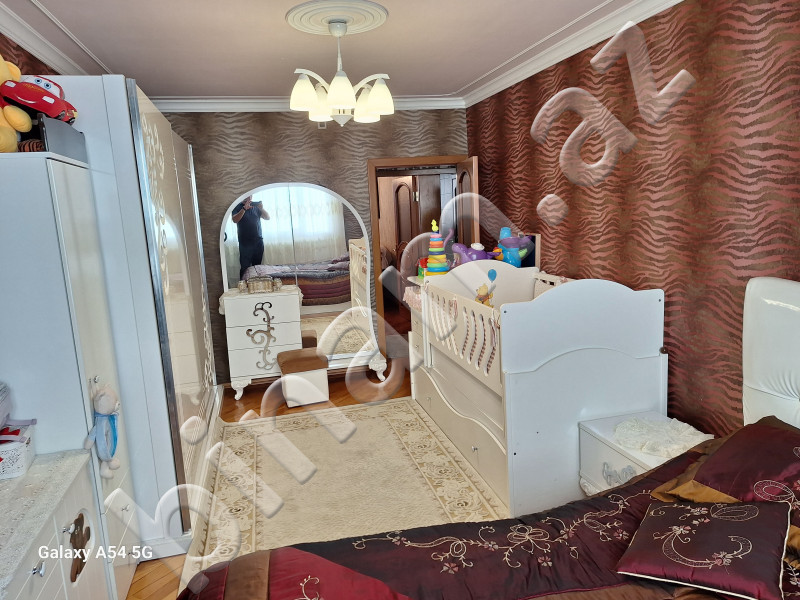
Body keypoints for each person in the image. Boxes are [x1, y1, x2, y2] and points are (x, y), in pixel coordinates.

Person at [232, 196, 270, 279]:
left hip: (258, 242)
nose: (249, 197)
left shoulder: (256, 206)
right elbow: (235, 220)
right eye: (247, 195)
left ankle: (256, 285)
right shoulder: (237, 206)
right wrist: (244, 209)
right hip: (245, 243)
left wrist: (261, 208)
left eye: (250, 195)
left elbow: (267, 217)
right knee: (245, 268)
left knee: (257, 268)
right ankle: (243, 285)